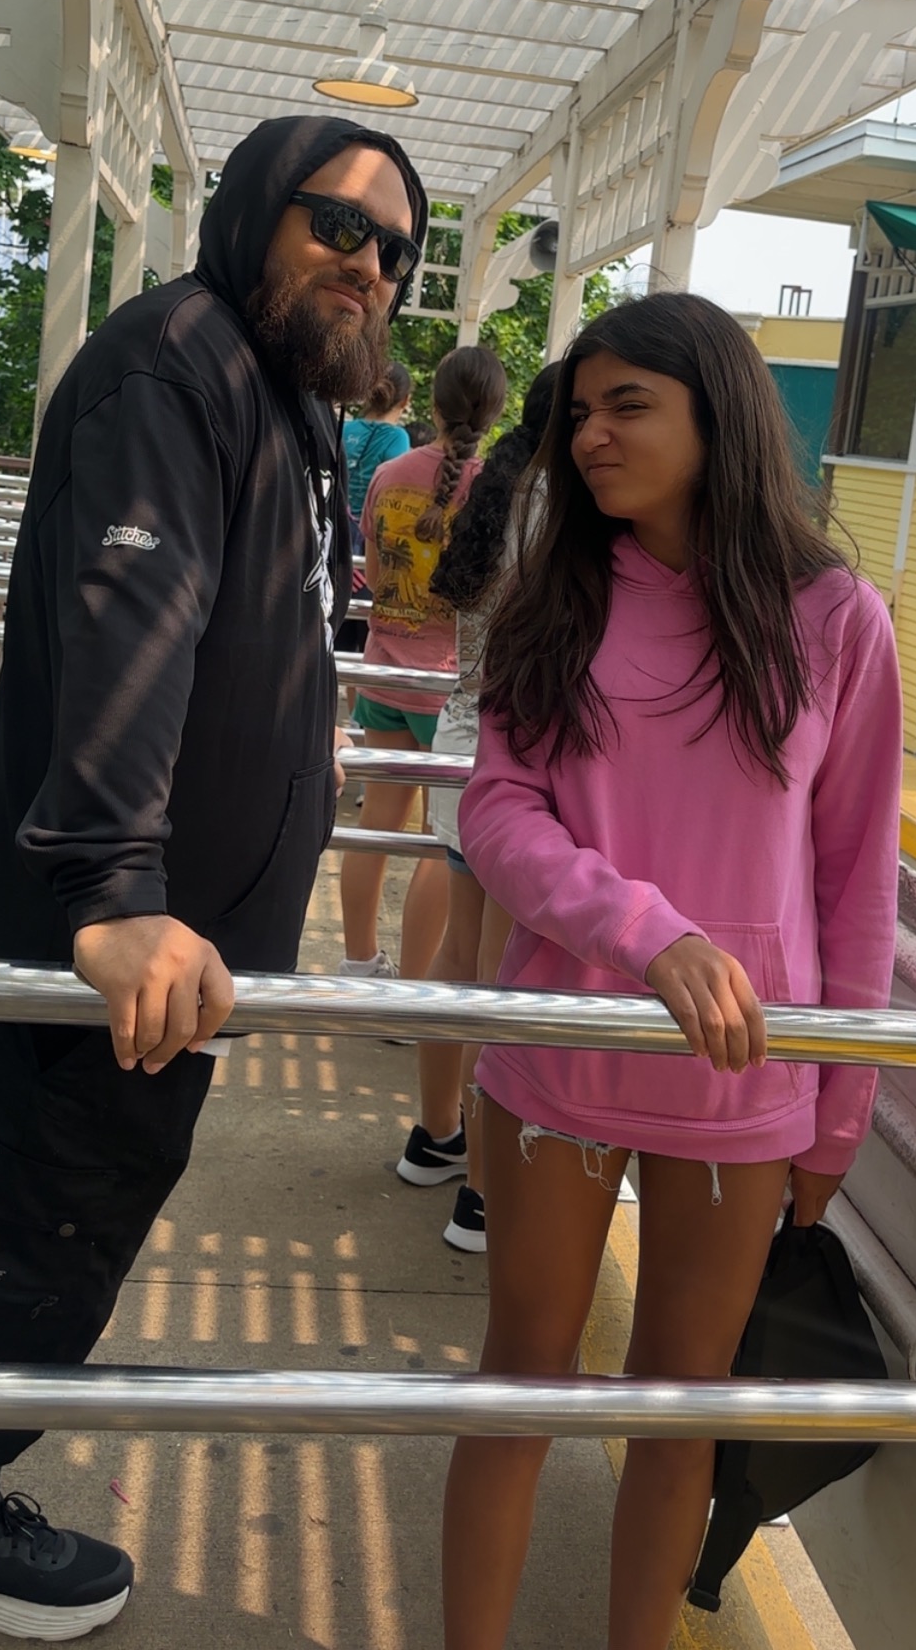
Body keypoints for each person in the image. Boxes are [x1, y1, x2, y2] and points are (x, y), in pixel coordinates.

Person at [0, 113, 427, 1640]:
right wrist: (115, 889)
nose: (369, 265)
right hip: (103, 938)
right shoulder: (178, 366)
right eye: (336, 223)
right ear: (252, 211)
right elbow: (132, 613)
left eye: (395, 250)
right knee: (13, 1262)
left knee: (49, 1245)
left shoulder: (285, 402)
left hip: (179, 953)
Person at [442, 292, 902, 1650]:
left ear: (720, 413)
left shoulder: (837, 619)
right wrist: (647, 932)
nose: (589, 435)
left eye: (627, 405)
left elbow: (855, 877)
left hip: (743, 1091)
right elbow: (498, 813)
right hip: (559, 1064)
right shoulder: (555, 599)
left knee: (679, 1411)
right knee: (519, 1388)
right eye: (580, 411)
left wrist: (840, 1109)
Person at [395, 364, 559, 1253]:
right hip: (518, 764)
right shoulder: (563, 509)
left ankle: (436, 1137)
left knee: (458, 956)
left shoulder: (495, 489)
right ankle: (487, 1195)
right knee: (501, 974)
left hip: (461, 741)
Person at [338, 345, 507, 983]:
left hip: (385, 673)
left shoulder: (390, 474)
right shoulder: (493, 492)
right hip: (447, 690)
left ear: (431, 406)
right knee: (442, 846)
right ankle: (415, 984)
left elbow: (378, 578)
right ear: (494, 413)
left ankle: (359, 962)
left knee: (377, 826)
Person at [343, 365, 412, 549]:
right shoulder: (398, 438)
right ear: (405, 400)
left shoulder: (345, 429)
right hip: (369, 537)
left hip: (334, 525)